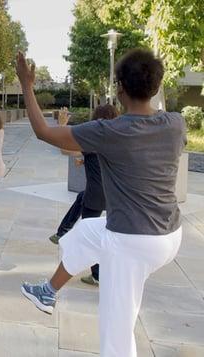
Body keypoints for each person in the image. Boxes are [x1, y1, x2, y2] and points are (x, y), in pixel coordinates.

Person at [16, 49, 185, 357]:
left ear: (119, 88)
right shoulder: (175, 124)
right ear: (157, 87)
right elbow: (153, 110)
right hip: (170, 235)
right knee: (86, 233)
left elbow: (43, 132)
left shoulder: (110, 132)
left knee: (116, 336)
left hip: (133, 243)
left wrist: (27, 85)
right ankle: (48, 292)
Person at [48, 104, 118, 286]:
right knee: (81, 197)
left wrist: (62, 125)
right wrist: (86, 159)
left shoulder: (94, 141)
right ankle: (62, 231)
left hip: (96, 196)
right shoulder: (118, 140)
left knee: (90, 238)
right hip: (114, 196)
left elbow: (64, 149)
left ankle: (97, 274)